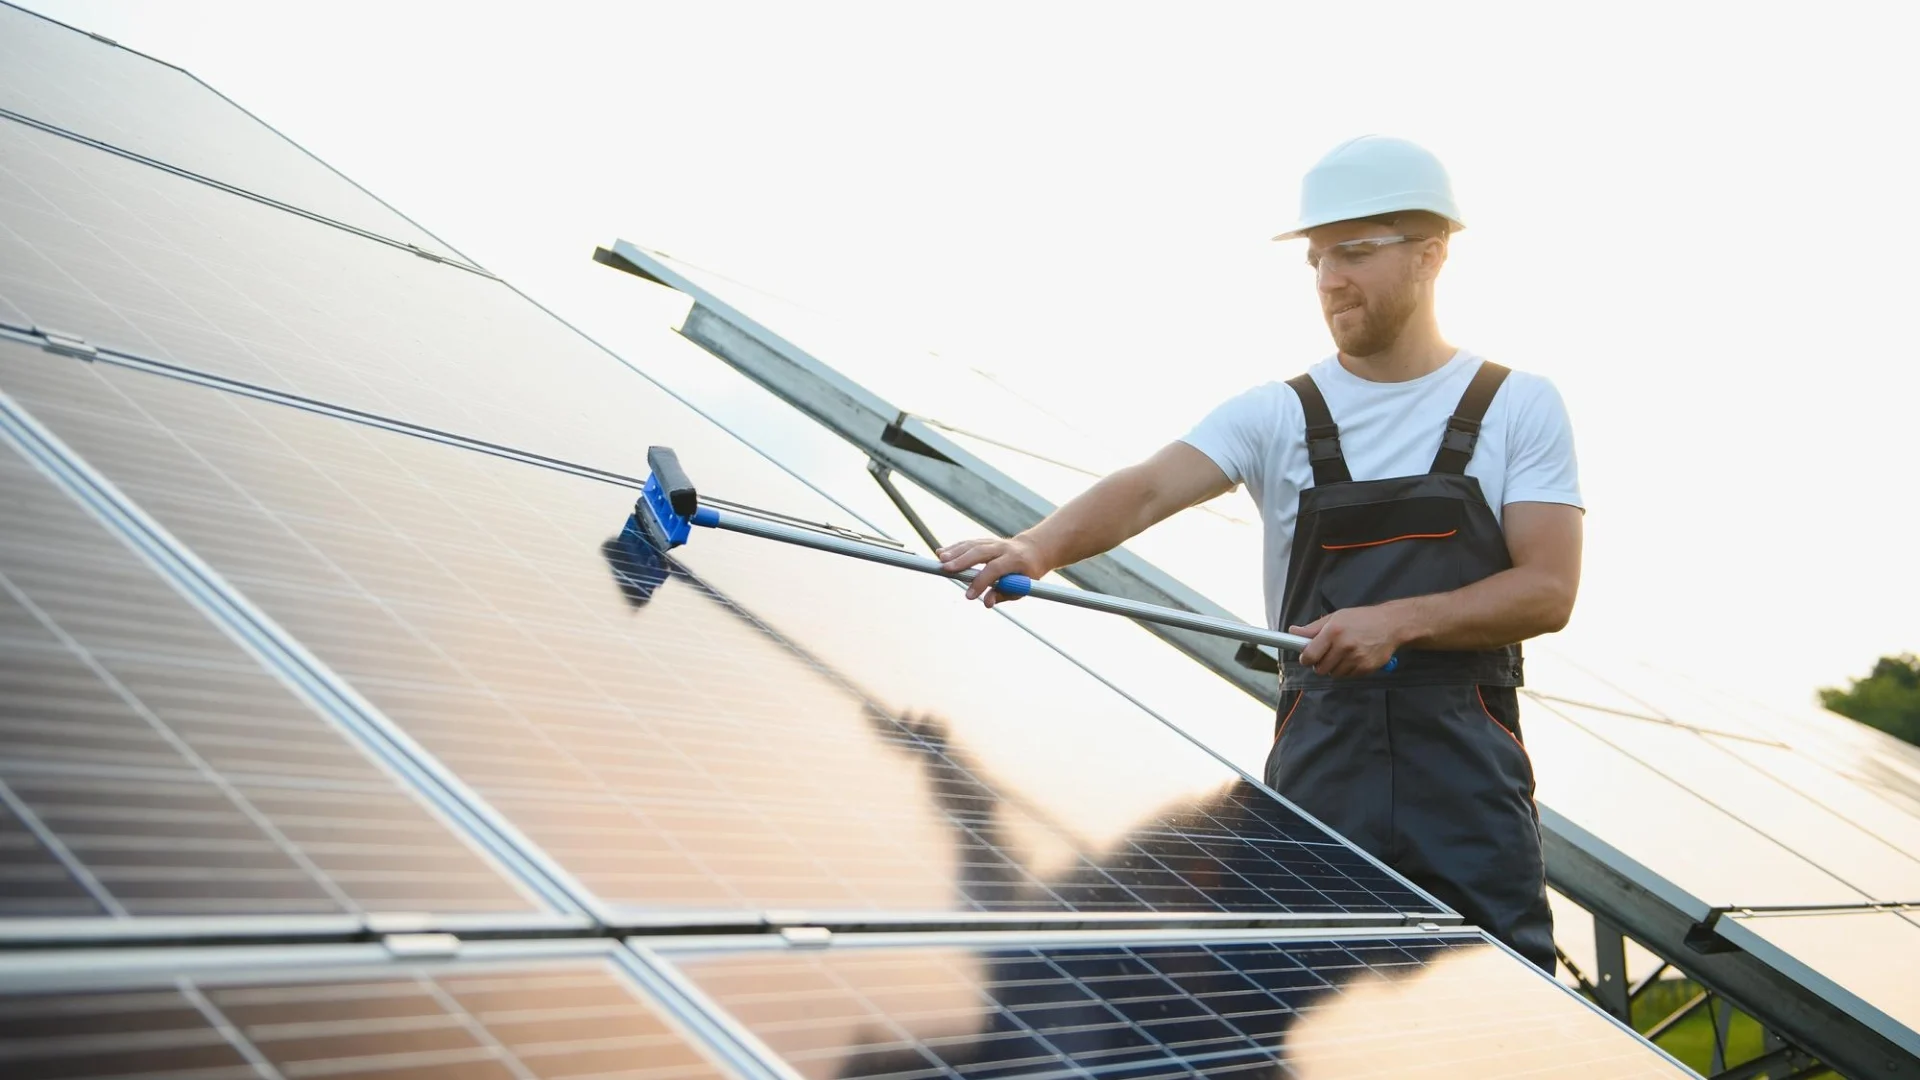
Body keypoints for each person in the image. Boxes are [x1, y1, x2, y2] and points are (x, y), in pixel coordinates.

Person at [936, 135, 1583, 972]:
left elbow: (1547, 588)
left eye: (1353, 253)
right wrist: (1034, 544)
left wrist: (1397, 622)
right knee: (1281, 998)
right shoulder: (1276, 414)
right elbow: (1145, 488)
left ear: (1432, 255)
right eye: (1316, 259)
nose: (1329, 280)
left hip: (1468, 767)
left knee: (1504, 1001)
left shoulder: (1517, 405)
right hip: (1322, 763)